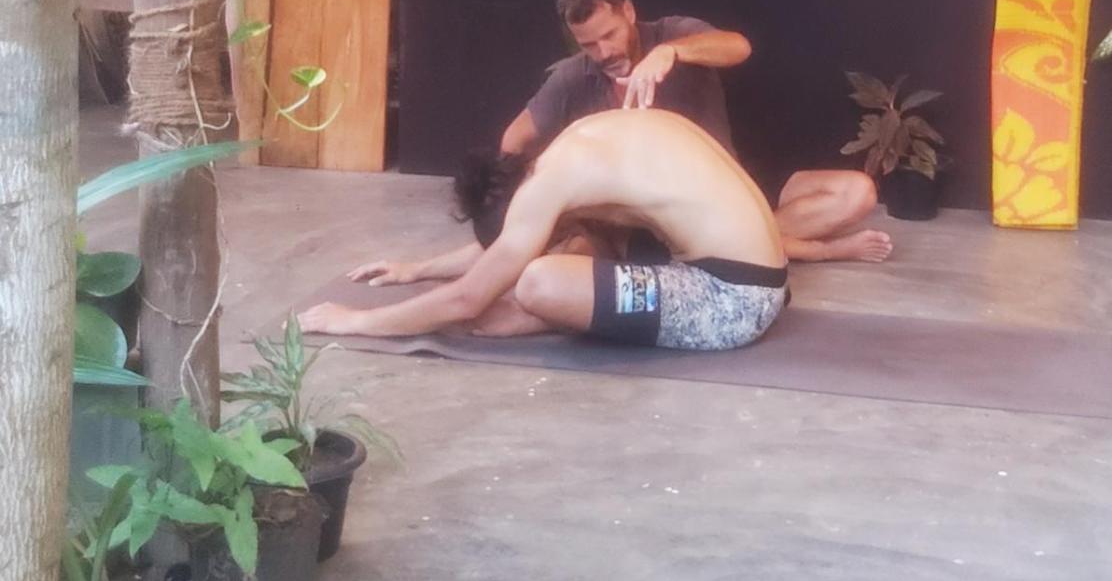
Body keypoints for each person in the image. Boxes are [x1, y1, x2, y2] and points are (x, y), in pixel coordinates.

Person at [300, 109, 788, 351]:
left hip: (733, 303)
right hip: (758, 276)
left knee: (539, 282)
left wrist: (355, 322)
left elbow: (467, 299)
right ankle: (554, 311)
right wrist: (418, 269)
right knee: (586, 242)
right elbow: (512, 242)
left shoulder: (550, 185)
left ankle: (542, 315)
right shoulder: (575, 145)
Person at [498, 0, 891, 264]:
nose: (603, 52)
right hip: (659, 218)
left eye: (610, 35)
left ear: (629, 12)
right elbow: (513, 141)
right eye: (589, 44)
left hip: (730, 184)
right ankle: (799, 249)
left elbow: (738, 46)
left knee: (857, 192)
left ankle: (756, 243)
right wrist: (546, 196)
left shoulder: (672, 33)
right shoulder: (573, 77)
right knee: (587, 253)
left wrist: (671, 53)